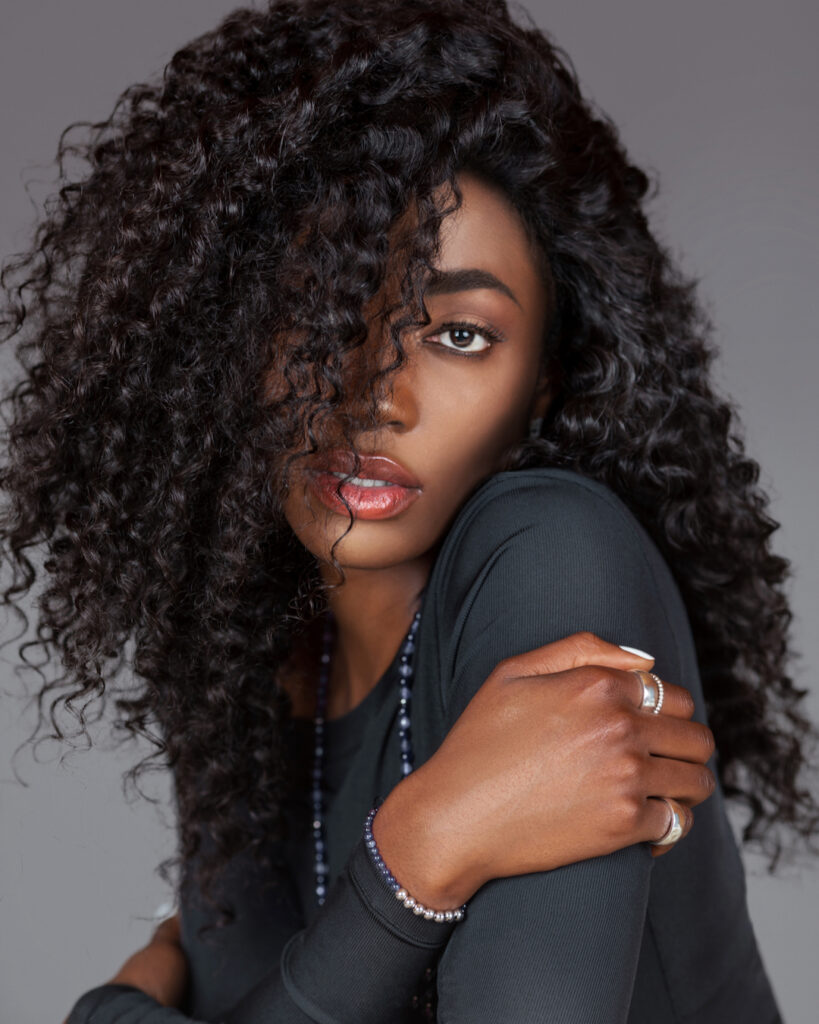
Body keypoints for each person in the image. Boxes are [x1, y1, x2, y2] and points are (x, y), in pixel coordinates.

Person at [1, 0, 815, 1021]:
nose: (373, 392)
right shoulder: (249, 651)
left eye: (461, 334)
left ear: (548, 381)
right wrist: (428, 844)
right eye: (324, 310)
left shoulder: (553, 558)